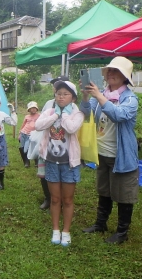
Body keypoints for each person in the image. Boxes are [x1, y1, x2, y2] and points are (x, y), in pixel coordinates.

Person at [80, 56, 139, 244]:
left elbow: (119, 115)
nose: (112, 74)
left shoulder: (130, 99)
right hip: (102, 152)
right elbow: (86, 113)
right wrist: (86, 97)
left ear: (125, 77)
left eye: (117, 71)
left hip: (120, 154)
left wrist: (99, 96)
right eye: (110, 71)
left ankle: (122, 232)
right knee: (103, 189)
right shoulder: (103, 94)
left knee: (123, 194)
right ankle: (100, 223)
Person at [35, 81, 84, 246]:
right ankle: (56, 229)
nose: (61, 97)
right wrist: (55, 114)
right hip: (51, 161)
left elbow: (71, 128)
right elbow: (38, 125)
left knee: (68, 199)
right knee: (55, 198)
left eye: (65, 94)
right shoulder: (49, 111)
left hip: (69, 163)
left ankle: (66, 231)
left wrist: (63, 114)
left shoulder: (77, 113)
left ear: (73, 98)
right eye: (58, 93)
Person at [37, 75, 70, 210]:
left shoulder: (72, 107)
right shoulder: (49, 104)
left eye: (60, 85)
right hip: (47, 145)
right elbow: (41, 123)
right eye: (55, 85)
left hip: (63, 148)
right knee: (44, 172)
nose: (56, 88)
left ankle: (61, 199)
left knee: (63, 176)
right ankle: (48, 198)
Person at [19, 101, 40, 168]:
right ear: (29, 109)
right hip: (24, 133)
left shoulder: (39, 116)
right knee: (22, 147)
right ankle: (26, 162)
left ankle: (36, 161)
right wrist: (20, 133)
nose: (33, 109)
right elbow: (23, 125)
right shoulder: (27, 116)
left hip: (32, 135)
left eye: (34, 108)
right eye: (31, 108)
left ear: (37, 109)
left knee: (32, 148)